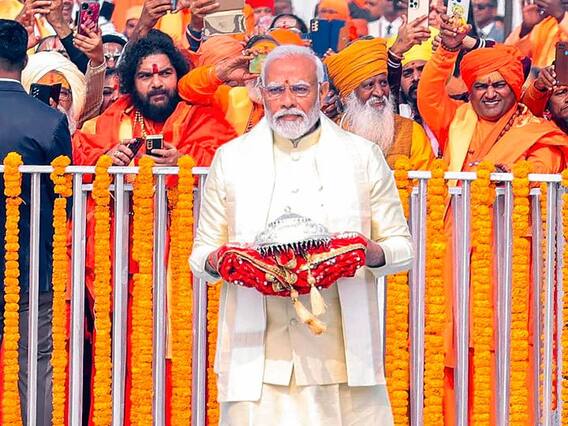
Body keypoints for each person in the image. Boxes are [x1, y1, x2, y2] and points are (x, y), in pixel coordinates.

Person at [190, 44, 413, 425]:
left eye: (300, 89)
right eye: (276, 90)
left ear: (323, 92)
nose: (287, 101)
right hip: (258, 363)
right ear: (261, 93)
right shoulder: (232, 158)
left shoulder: (362, 156)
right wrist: (226, 261)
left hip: (341, 362)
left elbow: (402, 247)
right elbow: (201, 256)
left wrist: (363, 252)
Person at [417, 15, 568, 425]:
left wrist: (513, 174)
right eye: (481, 86)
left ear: (514, 88)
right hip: (454, 252)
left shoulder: (537, 130)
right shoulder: (458, 120)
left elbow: (546, 164)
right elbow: (429, 97)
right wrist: (447, 51)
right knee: (453, 342)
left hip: (507, 255)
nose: (489, 93)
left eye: (499, 85)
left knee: (505, 341)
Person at [0, 19, 72, 425]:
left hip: (29, 263)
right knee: (35, 362)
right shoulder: (48, 121)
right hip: (31, 266)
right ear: (24, 61)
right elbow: (66, 201)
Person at [325, 37, 434, 170]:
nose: (379, 92)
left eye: (383, 83)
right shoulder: (329, 134)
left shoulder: (411, 132)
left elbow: (427, 180)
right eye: (369, 85)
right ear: (347, 96)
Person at [21, 51, 87, 135]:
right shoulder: (11, 138)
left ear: (72, 100)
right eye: (43, 92)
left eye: (61, 93)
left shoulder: (85, 141)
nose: (52, 101)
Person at [505, 0, 567, 69]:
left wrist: (560, 15)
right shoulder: (542, 22)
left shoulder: (561, 19)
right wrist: (526, 28)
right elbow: (507, 58)